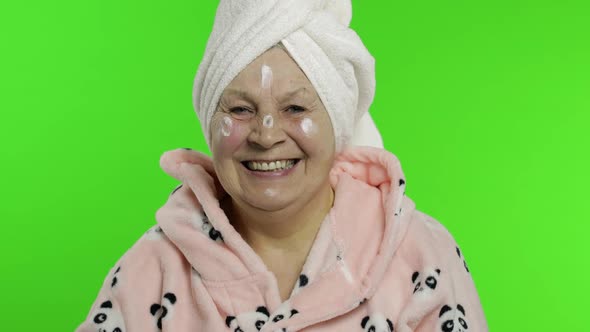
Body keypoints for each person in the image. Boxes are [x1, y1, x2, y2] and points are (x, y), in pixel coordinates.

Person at [76, 0, 487, 331]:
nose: (266, 134)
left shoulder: (420, 256)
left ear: (337, 123)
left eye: (294, 107)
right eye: (239, 108)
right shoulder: (151, 268)